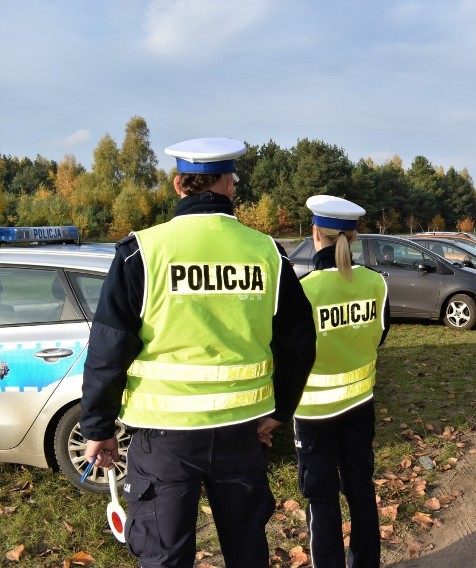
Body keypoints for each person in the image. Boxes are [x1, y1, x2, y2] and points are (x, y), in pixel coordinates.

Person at [79, 137, 317, 568]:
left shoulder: (142, 251)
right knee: (246, 549)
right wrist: (280, 410)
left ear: (177, 185)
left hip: (163, 438)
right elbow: (300, 343)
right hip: (242, 432)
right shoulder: (267, 253)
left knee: (164, 556)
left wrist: (97, 427)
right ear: (229, 186)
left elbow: (108, 350)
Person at [295, 195, 391, 568]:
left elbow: (291, 355)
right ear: (353, 239)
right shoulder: (376, 284)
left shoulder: (303, 290)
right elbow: (379, 335)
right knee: (361, 491)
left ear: (315, 233)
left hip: (314, 414)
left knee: (321, 499)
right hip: (360, 406)